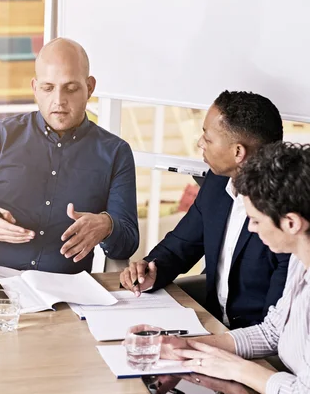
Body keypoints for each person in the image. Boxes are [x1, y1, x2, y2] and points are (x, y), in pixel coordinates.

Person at [0, 38, 139, 278]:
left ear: (90, 87)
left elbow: (127, 241)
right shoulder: (2, 135)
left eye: (71, 88)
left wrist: (107, 226)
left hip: (66, 289)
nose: (59, 100)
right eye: (48, 88)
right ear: (35, 88)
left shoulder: (116, 152)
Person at [160, 142, 310, 394]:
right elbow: (273, 331)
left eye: (255, 219)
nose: (251, 228)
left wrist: (236, 369)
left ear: (291, 223)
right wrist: (191, 347)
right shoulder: (301, 261)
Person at [120, 91, 289, 328]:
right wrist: (149, 271)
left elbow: (276, 328)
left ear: (238, 152)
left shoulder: (288, 213)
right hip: (211, 325)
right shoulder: (218, 182)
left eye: (207, 138)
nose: (200, 143)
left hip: (258, 348)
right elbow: (180, 247)